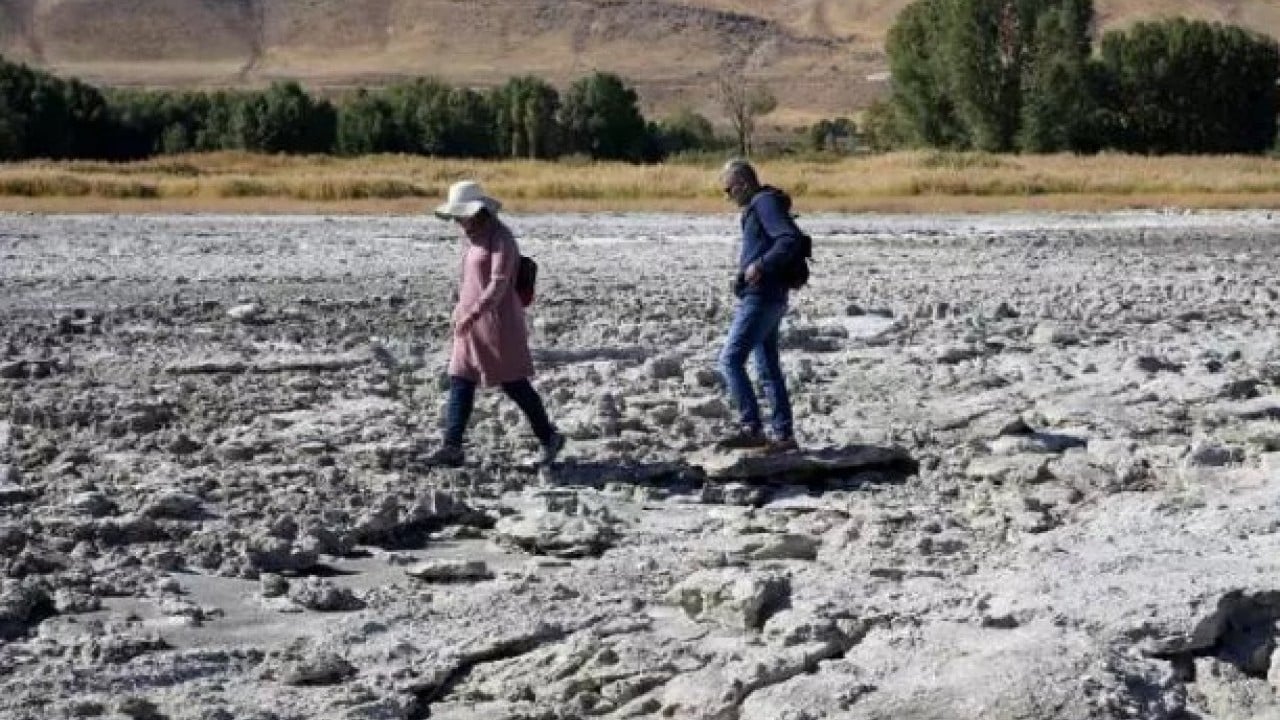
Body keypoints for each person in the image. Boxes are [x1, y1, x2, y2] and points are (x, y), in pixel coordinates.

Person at [423, 180, 565, 467]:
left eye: (461, 215)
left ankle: (549, 436)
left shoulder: (502, 238)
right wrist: (459, 310)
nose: (458, 221)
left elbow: (499, 284)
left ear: (479, 211)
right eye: (456, 216)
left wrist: (473, 312)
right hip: (468, 322)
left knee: (514, 383)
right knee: (460, 379)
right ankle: (452, 446)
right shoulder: (470, 237)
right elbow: (468, 281)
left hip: (498, 324)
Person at [717, 158, 799, 452]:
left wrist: (759, 265)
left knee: (729, 360)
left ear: (741, 183)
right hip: (771, 295)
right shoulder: (763, 203)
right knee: (767, 366)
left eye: (727, 190)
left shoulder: (763, 203)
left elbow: (790, 238)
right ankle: (783, 436)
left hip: (763, 295)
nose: (727, 197)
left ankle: (752, 428)